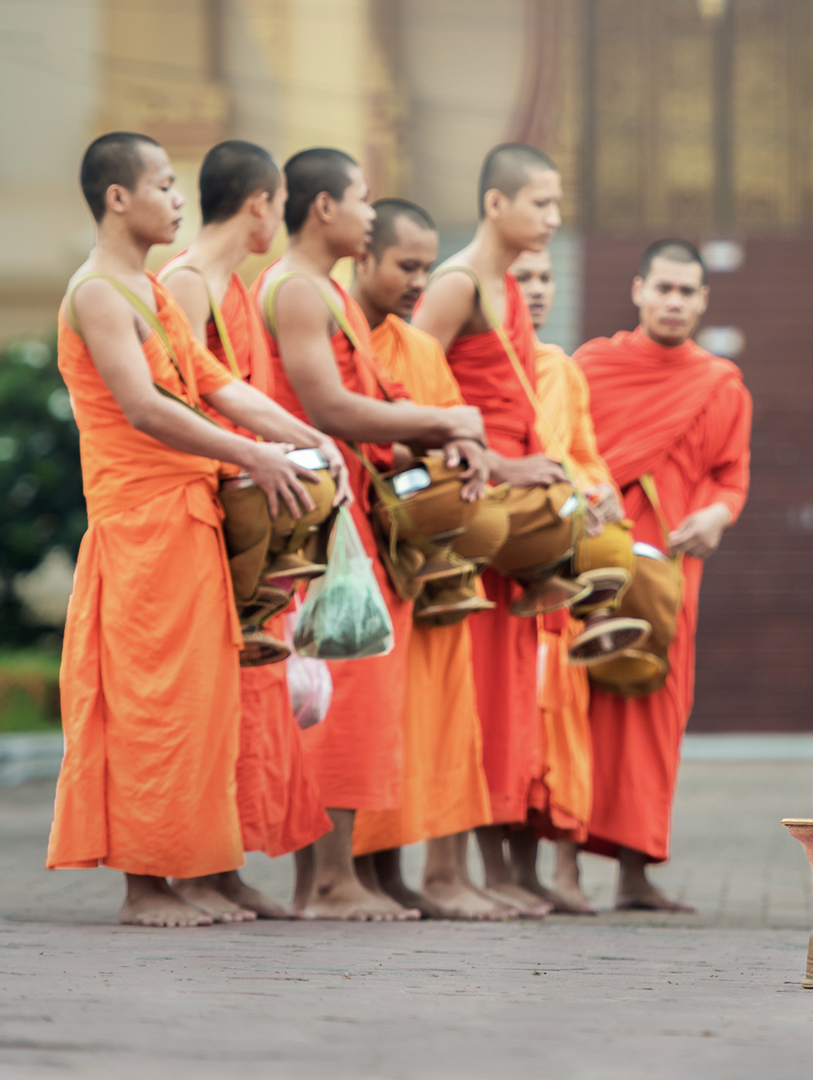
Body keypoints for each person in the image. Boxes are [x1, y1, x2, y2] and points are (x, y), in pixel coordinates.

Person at [47, 132, 343, 927]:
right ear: (118, 197)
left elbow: (220, 385)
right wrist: (255, 454)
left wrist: (311, 443)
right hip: (140, 525)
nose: (179, 200)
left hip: (190, 516)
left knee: (205, 706)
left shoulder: (146, 288)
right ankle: (145, 886)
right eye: (165, 185)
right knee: (150, 703)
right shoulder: (98, 293)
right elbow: (146, 408)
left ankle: (205, 868)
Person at [254, 147, 489, 920]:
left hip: (348, 513)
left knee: (349, 693)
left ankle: (330, 878)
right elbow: (328, 407)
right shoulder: (295, 288)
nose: (367, 211)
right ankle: (326, 883)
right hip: (319, 523)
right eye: (361, 199)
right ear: (323, 208)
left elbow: (367, 407)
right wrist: (443, 419)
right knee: (337, 692)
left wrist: (434, 442)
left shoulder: (326, 293)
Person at [153, 140, 334, 922]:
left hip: (244, 507)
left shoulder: (236, 286)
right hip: (199, 508)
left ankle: (224, 867)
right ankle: (188, 871)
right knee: (198, 704)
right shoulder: (186, 283)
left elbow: (235, 391)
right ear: (261, 202)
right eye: (278, 202)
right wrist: (255, 458)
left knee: (246, 706)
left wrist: (307, 445)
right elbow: (181, 403)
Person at [346, 198, 516, 921]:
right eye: (406, 266)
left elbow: (452, 418)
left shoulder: (415, 346)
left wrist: (469, 455)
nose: (420, 280)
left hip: (431, 561)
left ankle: (422, 874)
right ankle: (364, 875)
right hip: (363, 548)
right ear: (362, 256)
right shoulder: (338, 330)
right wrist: (429, 441)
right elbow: (338, 418)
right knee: (368, 714)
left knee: (438, 720)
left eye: (426, 265)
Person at [413, 143, 571, 917]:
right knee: (456, 697)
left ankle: (470, 869)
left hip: (507, 525)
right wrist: (503, 470)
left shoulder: (505, 288)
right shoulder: (454, 283)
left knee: (496, 702)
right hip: (467, 513)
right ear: (494, 204)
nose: (554, 218)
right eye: (541, 202)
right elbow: (409, 390)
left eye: (556, 203)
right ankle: (441, 873)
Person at [574, 239, 751, 911]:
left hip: (673, 569)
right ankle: (562, 867)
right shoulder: (592, 365)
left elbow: (731, 475)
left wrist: (717, 517)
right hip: (596, 559)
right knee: (580, 700)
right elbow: (562, 448)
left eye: (687, 292)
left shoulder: (720, 382)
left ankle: (634, 872)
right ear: (638, 290)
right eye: (664, 288)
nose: (674, 302)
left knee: (656, 710)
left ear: (704, 300)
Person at [511, 246, 620, 914]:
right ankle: (514, 870)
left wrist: (599, 489)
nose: (537, 289)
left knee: (567, 725)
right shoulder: (475, 358)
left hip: (564, 568)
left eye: (546, 277)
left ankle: (566, 871)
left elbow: (583, 452)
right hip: (512, 564)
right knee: (516, 723)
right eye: (521, 278)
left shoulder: (561, 369)